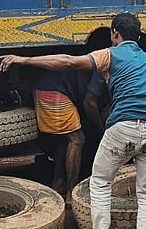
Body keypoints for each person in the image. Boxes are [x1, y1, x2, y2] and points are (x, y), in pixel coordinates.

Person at [0, 12, 146, 229]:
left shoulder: (110, 55)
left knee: (100, 183)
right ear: (139, 35)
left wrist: (24, 59)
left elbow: (67, 62)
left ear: (115, 33)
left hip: (122, 127)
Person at [33, 67, 98, 200]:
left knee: (64, 139)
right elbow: (89, 103)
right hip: (55, 92)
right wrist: (100, 127)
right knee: (77, 139)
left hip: (42, 88)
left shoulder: (90, 65)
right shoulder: (102, 72)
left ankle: (58, 182)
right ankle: (71, 193)